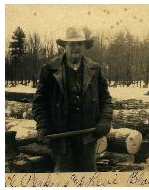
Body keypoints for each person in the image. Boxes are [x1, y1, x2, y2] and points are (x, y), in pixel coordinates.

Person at [32, 26, 113, 172]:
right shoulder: (49, 69)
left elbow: (105, 99)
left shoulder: (95, 69)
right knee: (64, 177)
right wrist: (43, 127)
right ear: (65, 46)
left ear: (84, 46)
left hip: (88, 137)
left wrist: (105, 120)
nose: (76, 47)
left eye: (80, 44)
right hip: (61, 137)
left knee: (88, 177)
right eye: (72, 44)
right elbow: (39, 103)